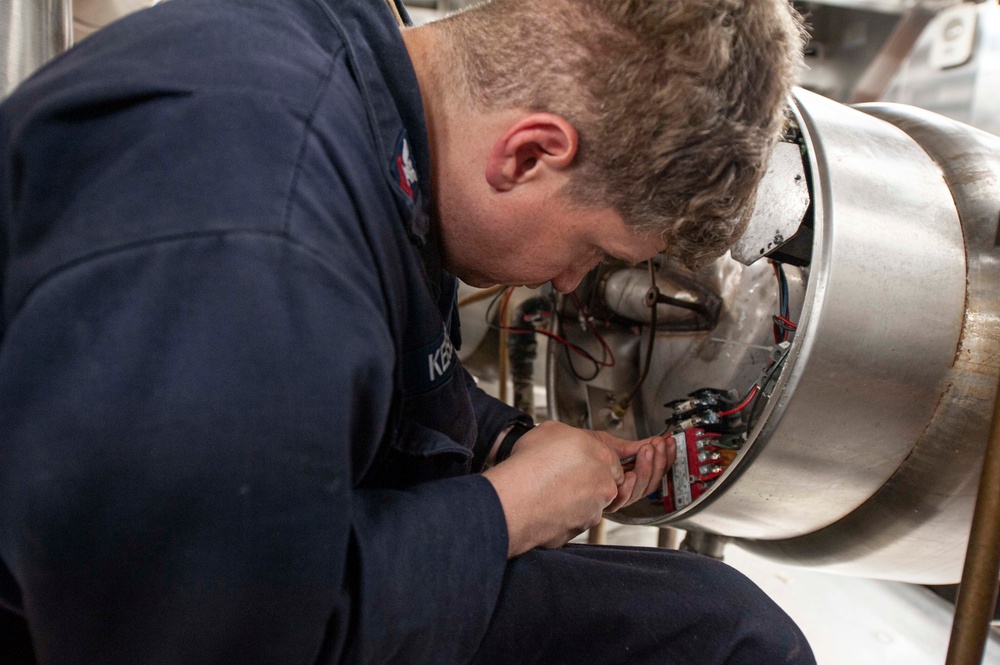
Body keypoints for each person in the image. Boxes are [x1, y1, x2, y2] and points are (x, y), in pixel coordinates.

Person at [0, 0, 812, 663]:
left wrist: (503, 444)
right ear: (529, 155)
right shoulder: (257, 236)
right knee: (727, 647)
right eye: (592, 250)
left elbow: (352, 367)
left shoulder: (363, 87)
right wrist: (505, 512)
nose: (570, 283)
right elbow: (191, 636)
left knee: (713, 624)